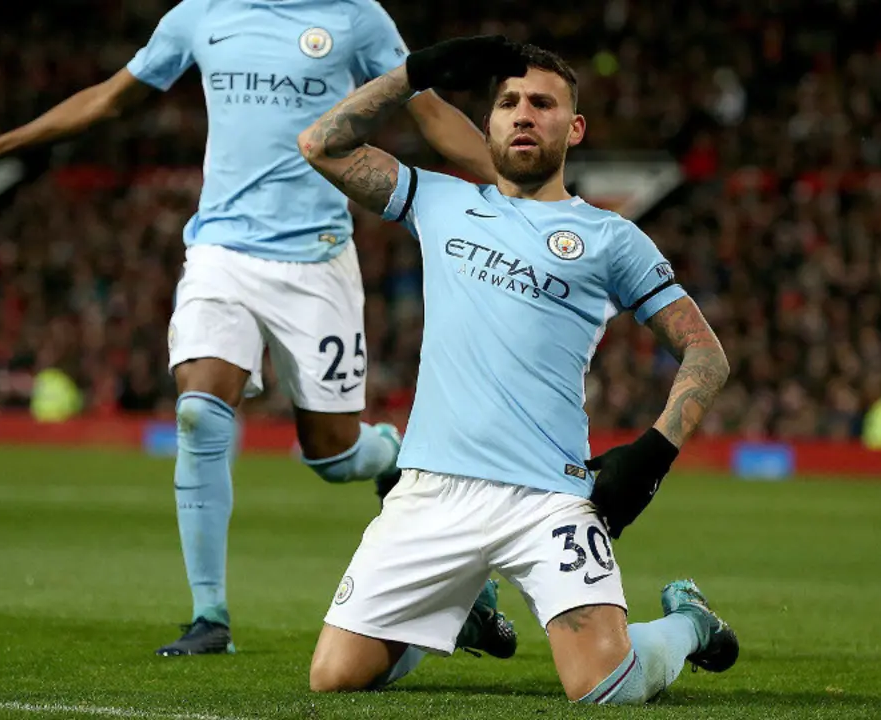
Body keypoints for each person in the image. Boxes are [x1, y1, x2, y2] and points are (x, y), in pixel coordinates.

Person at [0, 0, 514, 658]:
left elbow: (430, 113)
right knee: (200, 416)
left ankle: (392, 455)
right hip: (220, 253)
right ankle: (210, 616)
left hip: (315, 261)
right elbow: (109, 99)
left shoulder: (356, 18)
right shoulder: (199, 14)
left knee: (335, 455)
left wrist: (518, 185)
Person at [297, 36, 738, 703]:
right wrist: (413, 75)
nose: (523, 113)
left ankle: (687, 625)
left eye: (542, 102)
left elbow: (705, 352)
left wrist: (652, 454)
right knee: (333, 678)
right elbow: (319, 145)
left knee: (603, 688)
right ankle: (461, 608)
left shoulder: (610, 236)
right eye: (507, 102)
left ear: (575, 127)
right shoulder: (439, 200)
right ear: (489, 125)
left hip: (546, 497)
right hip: (431, 492)